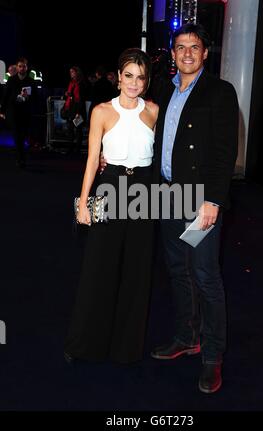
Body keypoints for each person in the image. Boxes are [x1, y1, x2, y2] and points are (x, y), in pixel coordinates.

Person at [150, 24, 239, 393]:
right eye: (180, 47)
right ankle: (188, 337)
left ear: (205, 54)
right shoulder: (162, 89)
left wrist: (213, 201)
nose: (187, 53)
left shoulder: (220, 92)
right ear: (173, 54)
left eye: (195, 47)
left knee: (204, 274)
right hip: (167, 196)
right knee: (177, 269)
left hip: (199, 200)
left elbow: (223, 152)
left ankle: (213, 356)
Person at [64, 48, 159, 364]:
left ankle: (126, 348)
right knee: (99, 266)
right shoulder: (102, 111)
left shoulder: (154, 111)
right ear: (119, 77)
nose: (134, 83)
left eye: (140, 77)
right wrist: (84, 203)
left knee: (137, 269)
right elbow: (92, 159)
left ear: (146, 82)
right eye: (128, 75)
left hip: (144, 191)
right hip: (110, 187)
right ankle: (86, 344)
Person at [0, 58, 36, 168]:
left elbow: (36, 97)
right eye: (20, 66)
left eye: (24, 66)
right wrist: (2, 111)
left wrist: (28, 97)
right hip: (13, 112)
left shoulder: (31, 81)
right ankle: (20, 159)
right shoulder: (11, 80)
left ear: (27, 67)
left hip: (25, 113)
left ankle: (21, 157)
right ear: (17, 67)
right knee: (16, 136)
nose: (22, 68)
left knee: (22, 136)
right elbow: (5, 96)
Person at [62, 66, 87, 153]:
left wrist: (78, 112)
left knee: (78, 129)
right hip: (70, 109)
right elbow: (70, 95)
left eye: (73, 72)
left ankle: (77, 149)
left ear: (77, 73)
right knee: (70, 129)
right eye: (70, 72)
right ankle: (70, 148)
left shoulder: (81, 83)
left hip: (77, 110)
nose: (71, 73)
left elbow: (81, 98)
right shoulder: (71, 83)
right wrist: (67, 94)